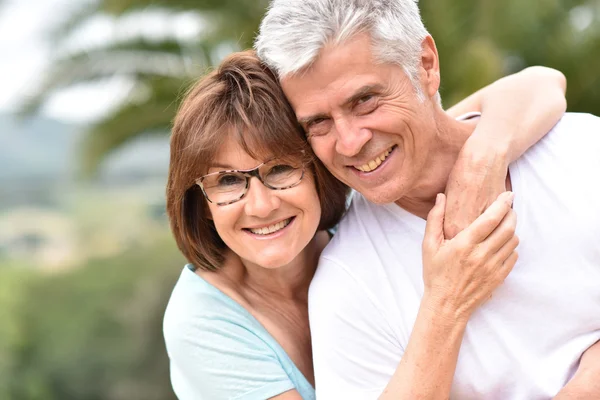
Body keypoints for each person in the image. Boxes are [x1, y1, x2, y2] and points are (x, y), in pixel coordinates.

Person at [162, 49, 572, 399]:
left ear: (321, 162)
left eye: (281, 168)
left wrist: (480, 161)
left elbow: (539, 84)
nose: (261, 204)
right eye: (228, 180)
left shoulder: (364, 217)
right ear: (201, 199)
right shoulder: (201, 323)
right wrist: (446, 302)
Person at [256, 0, 600, 399]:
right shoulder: (345, 287)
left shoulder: (582, 151)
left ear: (425, 64)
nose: (350, 143)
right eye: (318, 122)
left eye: (364, 100)